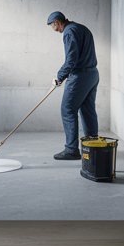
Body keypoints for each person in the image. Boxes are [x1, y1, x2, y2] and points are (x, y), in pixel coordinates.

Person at [46, 11, 99, 160]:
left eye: (52, 26)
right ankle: (92, 145)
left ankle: (71, 150)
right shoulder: (82, 28)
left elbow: (71, 59)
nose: (53, 29)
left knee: (67, 109)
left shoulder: (68, 32)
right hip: (93, 74)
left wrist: (59, 76)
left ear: (57, 22)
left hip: (80, 76)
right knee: (88, 110)